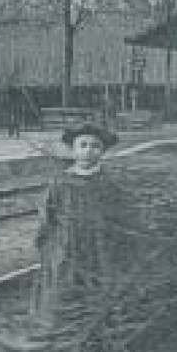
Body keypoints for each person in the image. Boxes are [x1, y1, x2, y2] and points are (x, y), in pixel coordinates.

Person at [30, 122, 128, 337]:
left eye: (95, 146)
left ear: (102, 152)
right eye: (82, 145)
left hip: (99, 242)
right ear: (73, 150)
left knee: (99, 281)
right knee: (62, 281)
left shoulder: (109, 183)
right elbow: (49, 213)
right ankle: (60, 327)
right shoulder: (61, 182)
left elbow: (120, 214)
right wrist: (46, 241)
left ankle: (97, 327)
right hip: (67, 241)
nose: (88, 151)